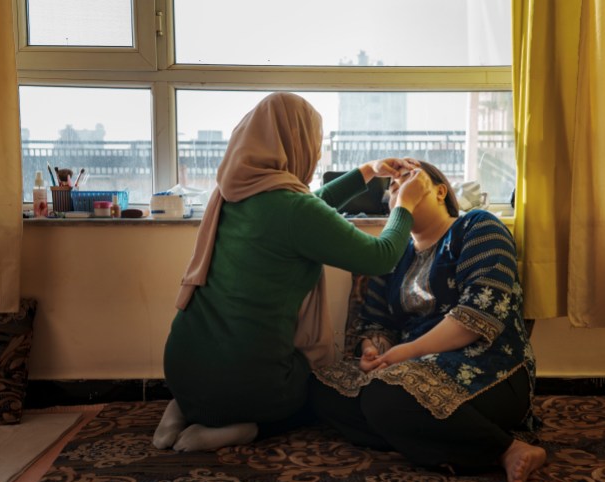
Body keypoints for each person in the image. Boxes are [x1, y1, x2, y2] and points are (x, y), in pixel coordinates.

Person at [152, 92, 431, 453]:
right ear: (297, 142)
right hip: (244, 383)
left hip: (181, 369)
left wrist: (367, 172)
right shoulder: (292, 209)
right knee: (320, 391)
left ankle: (183, 409)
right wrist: (404, 206)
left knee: (216, 375)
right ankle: (245, 428)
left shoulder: (232, 190)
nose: (315, 154)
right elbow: (380, 257)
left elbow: (308, 209)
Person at [310, 161, 547, 482]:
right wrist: (373, 351)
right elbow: (377, 321)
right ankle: (432, 434)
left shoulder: (479, 227)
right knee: (324, 387)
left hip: (486, 367)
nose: (398, 187)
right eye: (392, 188)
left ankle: (505, 449)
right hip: (411, 369)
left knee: (385, 395)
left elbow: (476, 318)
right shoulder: (393, 256)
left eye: (408, 178)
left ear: (440, 190)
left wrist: (402, 354)